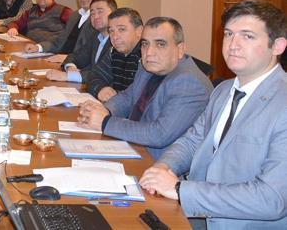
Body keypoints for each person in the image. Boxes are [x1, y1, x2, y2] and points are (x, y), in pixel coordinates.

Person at [139, 0, 287, 229]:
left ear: (277, 46)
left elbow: (272, 199)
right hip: (197, 214)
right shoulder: (223, 90)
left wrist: (180, 190)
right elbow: (192, 141)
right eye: (229, 34)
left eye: (247, 36)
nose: (233, 45)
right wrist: (163, 167)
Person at [77, 17, 212, 159]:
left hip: (156, 161)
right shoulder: (146, 67)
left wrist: (104, 122)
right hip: (131, 145)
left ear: (180, 49)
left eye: (160, 44)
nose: (149, 52)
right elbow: (128, 97)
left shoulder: (189, 84)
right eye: (145, 44)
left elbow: (159, 134)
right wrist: (104, 110)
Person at [46, 0, 116, 84]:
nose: (95, 16)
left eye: (100, 11)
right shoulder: (95, 36)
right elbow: (75, 56)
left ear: (114, 14)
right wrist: (71, 67)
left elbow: (103, 74)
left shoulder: (117, 41)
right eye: (92, 13)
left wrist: (68, 76)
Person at [84, 7, 144, 101]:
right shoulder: (113, 51)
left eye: (122, 29)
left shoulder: (146, 57)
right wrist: (101, 89)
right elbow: (94, 76)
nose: (115, 37)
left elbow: (139, 98)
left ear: (139, 31)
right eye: (111, 31)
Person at [30, 0, 103, 54]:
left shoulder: (99, 20)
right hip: (57, 57)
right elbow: (59, 41)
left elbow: (89, 52)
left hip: (72, 60)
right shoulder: (75, 15)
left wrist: (68, 59)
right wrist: (38, 47)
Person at [6, 0, 73, 43]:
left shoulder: (64, 11)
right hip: (29, 47)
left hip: (51, 49)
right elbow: (14, 23)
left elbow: (75, 29)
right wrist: (13, 28)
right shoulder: (31, 11)